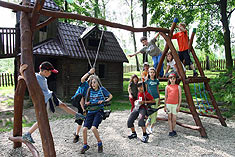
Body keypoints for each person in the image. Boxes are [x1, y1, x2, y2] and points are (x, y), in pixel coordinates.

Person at [20, 61, 80, 143]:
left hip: (49, 97)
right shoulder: (36, 76)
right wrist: (21, 72)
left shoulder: (43, 78)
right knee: (42, 119)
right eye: (50, 72)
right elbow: (28, 81)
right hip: (45, 100)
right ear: (45, 71)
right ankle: (28, 133)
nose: (51, 74)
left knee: (62, 105)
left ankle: (76, 115)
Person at [81, 75, 113, 154]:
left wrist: (104, 101)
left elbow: (110, 96)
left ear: (98, 83)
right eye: (92, 83)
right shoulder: (90, 90)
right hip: (91, 111)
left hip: (98, 111)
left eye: (94, 82)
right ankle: (85, 145)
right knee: (84, 129)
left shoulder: (102, 90)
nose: (93, 84)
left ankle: (99, 143)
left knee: (93, 128)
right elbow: (87, 100)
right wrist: (88, 103)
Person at [71, 68, 95, 143]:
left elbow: (88, 98)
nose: (92, 83)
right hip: (75, 100)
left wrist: (88, 102)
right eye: (91, 81)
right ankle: (83, 110)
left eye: (94, 82)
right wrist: (89, 72)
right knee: (81, 95)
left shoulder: (91, 89)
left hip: (82, 104)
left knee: (81, 118)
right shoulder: (84, 83)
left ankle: (77, 135)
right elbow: (82, 78)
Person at [145, 67, 160, 134]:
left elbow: (157, 90)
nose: (152, 73)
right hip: (150, 99)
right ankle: (146, 126)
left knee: (155, 112)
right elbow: (145, 90)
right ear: (148, 73)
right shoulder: (147, 81)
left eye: (153, 72)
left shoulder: (156, 81)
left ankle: (151, 127)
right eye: (150, 72)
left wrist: (159, 98)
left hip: (156, 98)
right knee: (150, 112)